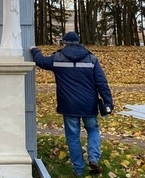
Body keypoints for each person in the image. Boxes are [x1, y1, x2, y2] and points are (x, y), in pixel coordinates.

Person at [30, 32, 113, 176]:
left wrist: (34, 50)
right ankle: (93, 158)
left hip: (68, 105)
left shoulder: (58, 57)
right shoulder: (91, 58)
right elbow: (101, 82)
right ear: (78, 42)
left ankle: (78, 170)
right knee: (93, 130)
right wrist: (108, 101)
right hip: (89, 104)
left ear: (65, 43)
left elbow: (41, 61)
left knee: (73, 136)